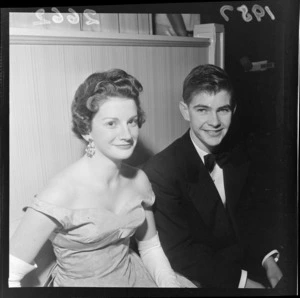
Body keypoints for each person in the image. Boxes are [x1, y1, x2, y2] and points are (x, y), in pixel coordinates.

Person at [9, 69, 196, 288]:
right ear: (87, 129)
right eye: (111, 123)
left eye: (132, 121)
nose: (126, 135)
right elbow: (8, 274)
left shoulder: (139, 180)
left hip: (136, 278)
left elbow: (150, 248)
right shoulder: (60, 192)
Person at [142, 64, 283, 288]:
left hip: (249, 262)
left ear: (233, 110)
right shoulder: (161, 171)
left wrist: (269, 261)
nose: (215, 122)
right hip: (205, 279)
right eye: (202, 110)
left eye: (223, 110)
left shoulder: (240, 151)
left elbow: (252, 217)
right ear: (185, 110)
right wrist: (245, 283)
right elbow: (181, 253)